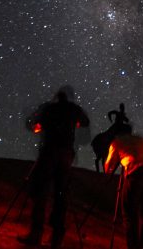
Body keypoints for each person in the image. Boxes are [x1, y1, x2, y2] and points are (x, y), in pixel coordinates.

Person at [18, 86, 90, 248]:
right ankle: (56, 239)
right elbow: (85, 122)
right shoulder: (74, 109)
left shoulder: (48, 108)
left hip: (49, 151)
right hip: (66, 154)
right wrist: (72, 123)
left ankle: (36, 234)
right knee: (61, 194)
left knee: (41, 192)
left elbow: (35, 126)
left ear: (56, 98)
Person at [104, 124, 143, 249]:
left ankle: (133, 246)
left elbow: (108, 167)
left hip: (135, 173)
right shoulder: (140, 139)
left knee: (129, 214)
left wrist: (117, 161)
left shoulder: (116, 142)